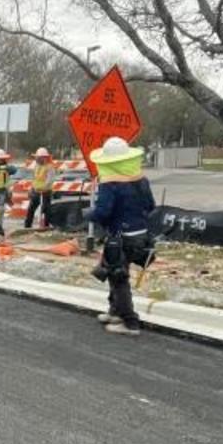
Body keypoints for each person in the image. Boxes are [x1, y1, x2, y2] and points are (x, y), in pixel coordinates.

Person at [86, 136, 155, 334]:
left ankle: (130, 322)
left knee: (118, 278)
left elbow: (103, 212)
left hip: (120, 236)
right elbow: (150, 206)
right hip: (141, 235)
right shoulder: (141, 181)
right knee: (114, 272)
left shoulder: (110, 185)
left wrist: (90, 215)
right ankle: (114, 311)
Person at [24, 147, 56, 231]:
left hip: (45, 192)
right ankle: (27, 227)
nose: (37, 159)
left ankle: (46, 227)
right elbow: (34, 178)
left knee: (46, 210)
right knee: (31, 209)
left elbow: (50, 180)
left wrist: (44, 187)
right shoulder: (36, 166)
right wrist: (32, 188)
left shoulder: (49, 167)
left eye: (39, 157)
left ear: (44, 158)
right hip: (36, 192)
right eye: (37, 157)